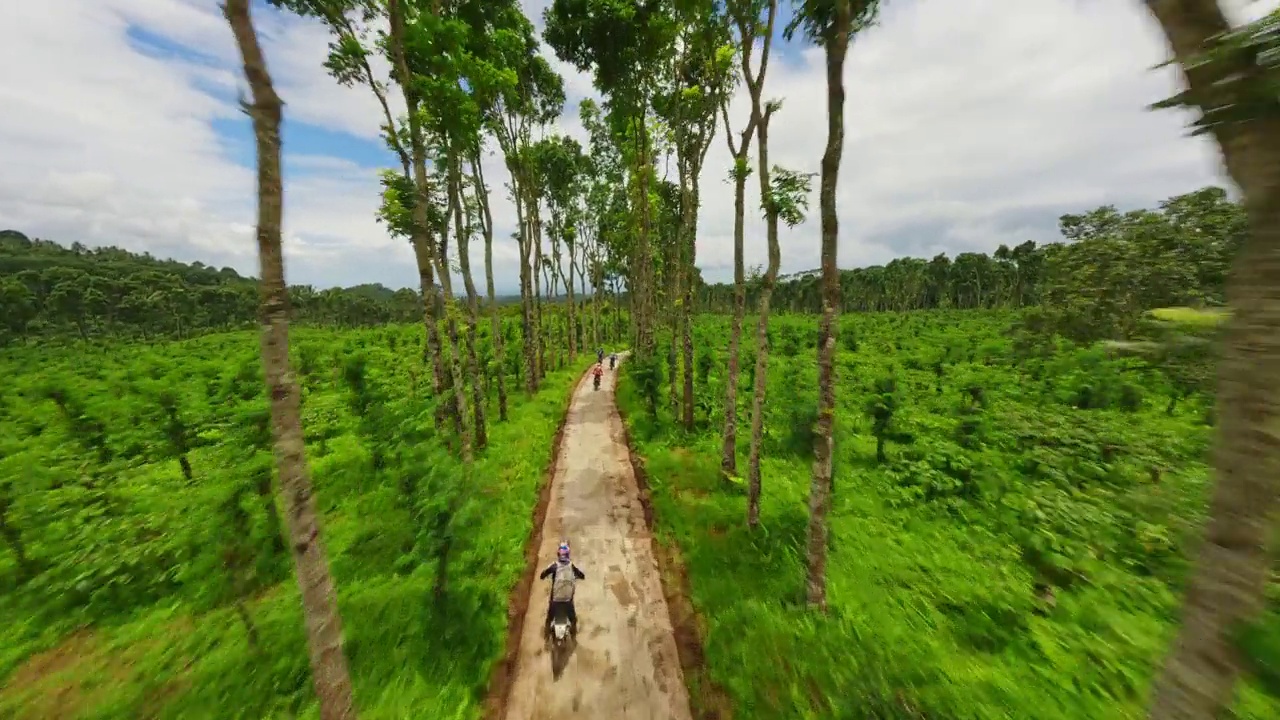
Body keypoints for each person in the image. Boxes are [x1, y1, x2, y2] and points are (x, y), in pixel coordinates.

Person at [540, 541, 585, 636]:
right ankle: (573, 632)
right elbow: (581, 575)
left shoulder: (554, 566)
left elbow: (543, 574)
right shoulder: (572, 565)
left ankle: (546, 632)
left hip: (555, 600)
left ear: (558, 554)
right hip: (568, 601)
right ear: (568, 555)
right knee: (573, 619)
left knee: (549, 617)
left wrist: (543, 576)